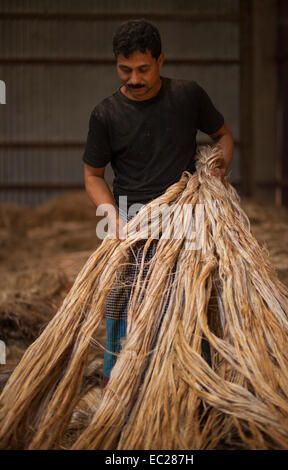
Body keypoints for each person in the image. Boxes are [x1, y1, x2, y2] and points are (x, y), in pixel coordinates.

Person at [82, 19, 234, 388]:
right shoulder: (106, 115)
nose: (134, 79)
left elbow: (224, 136)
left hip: (186, 221)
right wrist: (111, 216)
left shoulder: (188, 96)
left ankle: (193, 387)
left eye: (143, 69)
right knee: (121, 305)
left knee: (189, 303)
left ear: (161, 61)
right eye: (125, 69)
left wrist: (217, 168)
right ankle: (118, 385)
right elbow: (93, 176)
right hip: (131, 226)